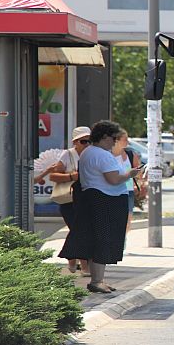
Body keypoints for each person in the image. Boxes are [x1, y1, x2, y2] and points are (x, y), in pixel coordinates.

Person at [59, 120, 141, 294]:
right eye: (113, 138)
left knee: (97, 239)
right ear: (104, 137)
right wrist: (131, 174)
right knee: (104, 240)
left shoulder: (88, 152)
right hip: (106, 200)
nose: (114, 142)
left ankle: (98, 280)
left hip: (93, 198)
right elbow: (114, 179)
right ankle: (97, 281)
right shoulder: (101, 154)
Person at [46, 126, 92, 276]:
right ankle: (84, 266)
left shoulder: (93, 155)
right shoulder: (68, 155)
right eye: (84, 141)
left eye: (90, 141)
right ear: (75, 142)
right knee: (80, 231)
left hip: (86, 200)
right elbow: (53, 176)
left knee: (78, 231)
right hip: (69, 201)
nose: (87, 144)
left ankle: (72, 258)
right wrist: (72, 176)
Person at [112, 129, 141, 232]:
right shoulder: (107, 155)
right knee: (113, 218)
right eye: (125, 139)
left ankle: (122, 242)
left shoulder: (130, 154)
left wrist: (138, 175)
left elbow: (138, 171)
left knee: (128, 218)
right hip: (112, 191)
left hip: (128, 191)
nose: (127, 142)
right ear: (116, 140)